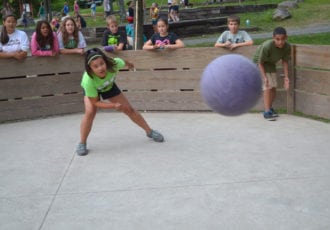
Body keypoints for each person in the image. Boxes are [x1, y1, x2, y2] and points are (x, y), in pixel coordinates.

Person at [76, 47, 164, 155]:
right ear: (90, 69)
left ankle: (149, 131)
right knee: (89, 113)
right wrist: (113, 105)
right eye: (95, 66)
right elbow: (95, 103)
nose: (100, 68)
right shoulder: (88, 81)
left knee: (129, 109)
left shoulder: (115, 63)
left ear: (106, 61)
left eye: (102, 63)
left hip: (109, 87)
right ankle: (82, 143)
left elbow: (125, 62)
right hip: (94, 91)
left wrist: (130, 65)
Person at [253, 26, 291, 121]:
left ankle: (269, 108)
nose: (280, 42)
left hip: (270, 64)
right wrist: (264, 77)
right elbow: (260, 62)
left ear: (286, 37)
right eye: (277, 39)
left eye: (282, 39)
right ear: (273, 38)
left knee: (274, 87)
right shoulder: (267, 46)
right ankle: (266, 112)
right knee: (268, 86)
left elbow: (285, 62)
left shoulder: (287, 47)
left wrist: (286, 78)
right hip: (259, 63)